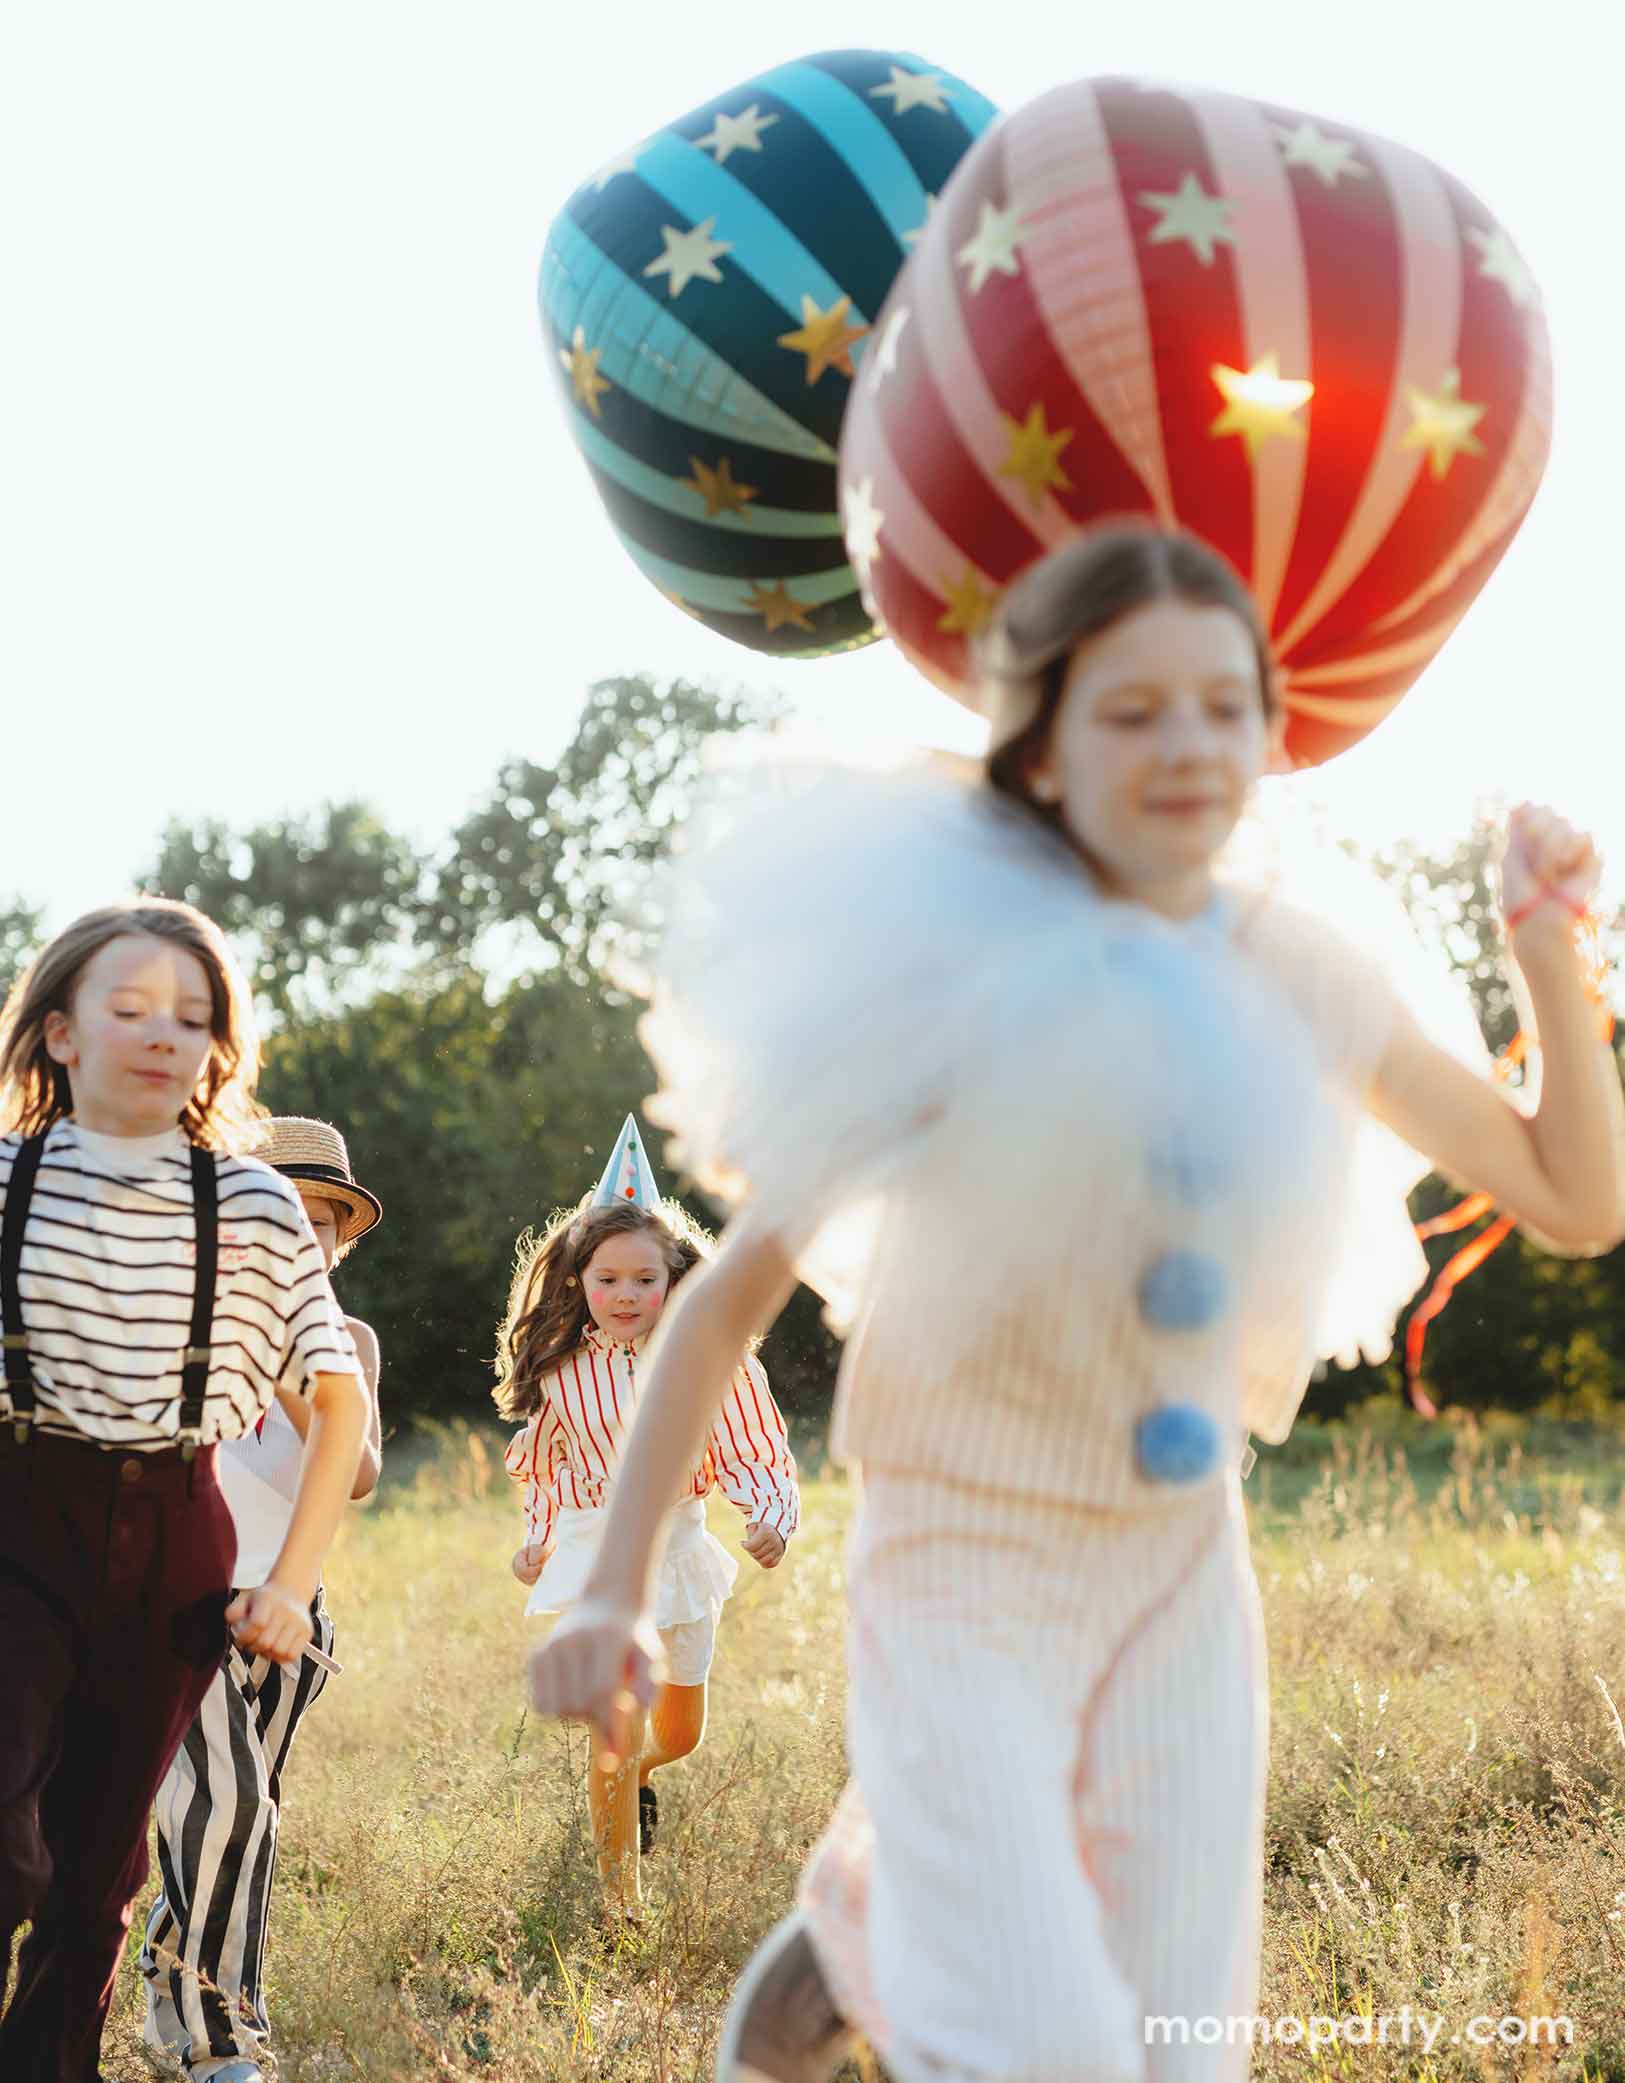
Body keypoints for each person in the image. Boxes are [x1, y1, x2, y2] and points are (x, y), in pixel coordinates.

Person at [527, 525, 1625, 2083]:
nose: (1188, 746)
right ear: (1038, 748)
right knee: (1049, 2049)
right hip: (958, 1560)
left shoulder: (1301, 962)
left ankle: (859, 1924)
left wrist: (1545, 949)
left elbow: (1576, 1198)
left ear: (1268, 725)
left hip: (1180, 1567)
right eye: (1131, 712)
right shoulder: (953, 964)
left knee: (1177, 2050)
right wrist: (611, 1592)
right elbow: (716, 1314)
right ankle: (870, 1932)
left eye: (1223, 706)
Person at [0, 900, 370, 2083]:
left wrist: (291, 1585)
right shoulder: (5, 1180)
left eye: (195, 1017)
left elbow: (340, 1398)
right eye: (129, 1008)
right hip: (17, 1512)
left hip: (173, 1534)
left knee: (100, 1871)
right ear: (58, 1031)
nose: (164, 1034)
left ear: (219, 1049)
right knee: (8, 1850)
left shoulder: (253, 1205)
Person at [500, 1114, 799, 1920]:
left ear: (674, 1281)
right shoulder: (562, 1374)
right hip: (597, 1555)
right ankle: (619, 1901)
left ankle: (636, 1780)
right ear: (577, 1281)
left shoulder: (712, 1357)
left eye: (643, 1279)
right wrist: (535, 1540)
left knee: (677, 1735)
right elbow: (545, 1465)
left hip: (682, 1547)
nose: (624, 1295)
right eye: (606, 1279)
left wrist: (768, 1516)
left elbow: (754, 1447)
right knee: (613, 1736)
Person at [140, 1115, 384, 2083]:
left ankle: (187, 1998)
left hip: (288, 1614)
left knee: (237, 1822)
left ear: (341, 1241)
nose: (304, 1235)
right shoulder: (173, 1320)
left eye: (323, 1222)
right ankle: (217, 2044)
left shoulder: (347, 1341)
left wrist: (297, 1355)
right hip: (180, 1606)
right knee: (226, 1800)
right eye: (278, 1211)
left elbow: (358, 1470)